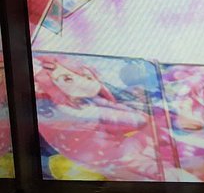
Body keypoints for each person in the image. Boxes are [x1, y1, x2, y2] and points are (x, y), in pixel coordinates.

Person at [33, 56, 162, 181]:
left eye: (85, 74)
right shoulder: (73, 110)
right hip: (108, 158)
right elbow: (130, 120)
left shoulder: (88, 100)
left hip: (113, 155)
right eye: (67, 79)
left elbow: (129, 117)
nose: (84, 80)